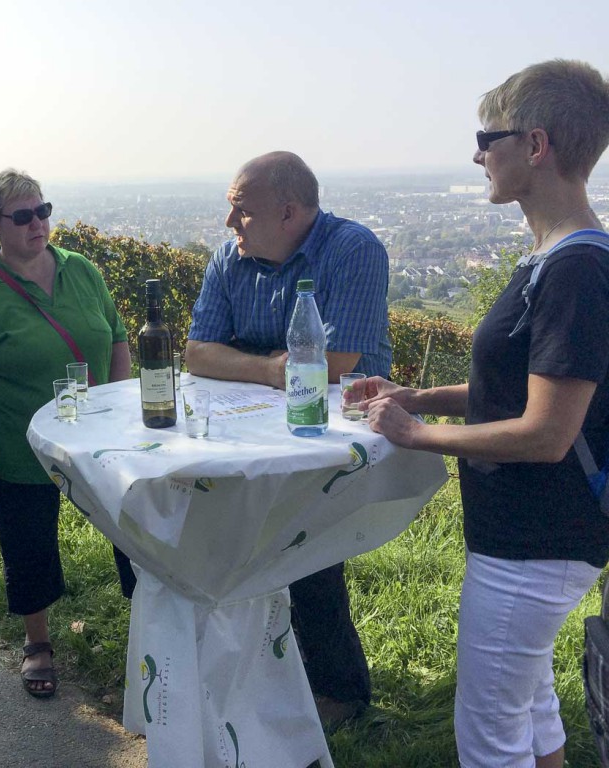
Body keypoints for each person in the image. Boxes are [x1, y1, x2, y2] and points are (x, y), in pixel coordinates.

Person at [355, 60, 609, 768]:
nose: (476, 155)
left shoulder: (576, 271)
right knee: (531, 712)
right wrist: (420, 397)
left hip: (535, 538)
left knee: (491, 739)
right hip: (534, 535)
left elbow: (548, 432)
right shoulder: (553, 258)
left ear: (535, 146)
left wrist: (416, 435)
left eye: (486, 137)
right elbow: (532, 391)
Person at [185, 151, 390, 727]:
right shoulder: (231, 257)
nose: (230, 226)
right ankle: (256, 666)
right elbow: (197, 352)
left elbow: (337, 362)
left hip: (330, 434)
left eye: (241, 212)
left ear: (289, 212)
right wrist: (272, 369)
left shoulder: (353, 249)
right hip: (247, 427)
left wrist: (246, 361)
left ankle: (338, 693)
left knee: (307, 549)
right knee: (225, 529)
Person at [0, 168, 132, 699]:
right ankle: (38, 644)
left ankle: (152, 626)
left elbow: (116, 338)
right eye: (23, 216)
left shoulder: (81, 270)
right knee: (29, 546)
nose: (37, 224)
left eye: (43, 211)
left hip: (100, 440)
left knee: (133, 530)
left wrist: (123, 408)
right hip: (21, 449)